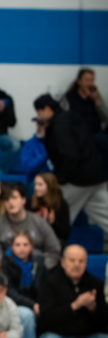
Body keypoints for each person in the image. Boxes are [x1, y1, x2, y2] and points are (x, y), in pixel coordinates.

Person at [35, 93, 108, 238]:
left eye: (38, 111)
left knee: (58, 216)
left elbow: (70, 155)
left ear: (47, 109)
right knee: (104, 213)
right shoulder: (70, 118)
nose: (38, 115)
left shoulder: (59, 126)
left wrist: (59, 179)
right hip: (96, 175)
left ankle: (50, 252)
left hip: (77, 180)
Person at [0, 183, 61, 269]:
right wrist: (2, 269)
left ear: (23, 200)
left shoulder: (38, 221)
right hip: (8, 271)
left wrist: (42, 268)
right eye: (6, 199)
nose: (10, 202)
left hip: (36, 270)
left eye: (14, 198)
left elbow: (54, 249)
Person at [3, 232, 44, 338]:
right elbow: (9, 292)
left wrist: (40, 304)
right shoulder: (5, 264)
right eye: (18, 245)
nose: (22, 248)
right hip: (13, 304)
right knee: (27, 315)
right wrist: (32, 305)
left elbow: (44, 287)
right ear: (12, 247)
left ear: (31, 247)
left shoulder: (39, 263)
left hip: (36, 302)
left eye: (25, 245)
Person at [28, 171, 70, 245]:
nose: (36, 188)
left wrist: (53, 223)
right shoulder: (30, 202)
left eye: (40, 185)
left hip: (54, 240)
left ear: (50, 186)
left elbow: (65, 233)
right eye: (35, 184)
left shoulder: (61, 204)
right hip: (31, 239)